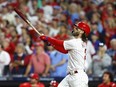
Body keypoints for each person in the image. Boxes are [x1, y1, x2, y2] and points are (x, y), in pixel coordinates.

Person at [40, 21, 90, 87]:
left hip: (78, 77)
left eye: (77, 28)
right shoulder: (79, 42)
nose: (74, 29)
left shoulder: (76, 42)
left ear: (82, 31)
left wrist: (48, 38)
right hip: (71, 75)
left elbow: (59, 43)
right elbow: (64, 51)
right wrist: (52, 44)